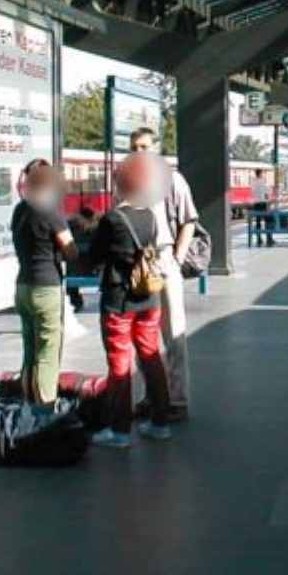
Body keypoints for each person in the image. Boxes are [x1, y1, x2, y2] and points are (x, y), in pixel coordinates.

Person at [88, 154, 172, 447]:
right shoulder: (149, 215)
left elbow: (94, 256)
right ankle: (161, 422)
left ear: (120, 184)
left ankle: (120, 430)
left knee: (120, 362)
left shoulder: (113, 219)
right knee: (151, 358)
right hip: (149, 298)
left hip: (119, 301)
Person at [129, 127, 197, 420]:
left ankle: (178, 400)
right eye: (134, 147)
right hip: (137, 262)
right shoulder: (128, 180)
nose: (139, 152)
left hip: (164, 257)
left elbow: (188, 220)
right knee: (142, 335)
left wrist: (177, 258)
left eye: (144, 147)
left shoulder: (173, 179)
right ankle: (150, 396)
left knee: (174, 333)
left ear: (156, 148)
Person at [11, 160, 78, 403]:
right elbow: (71, 250)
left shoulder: (20, 210)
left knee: (29, 350)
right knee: (48, 352)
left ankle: (28, 404)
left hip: (23, 285)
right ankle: (45, 408)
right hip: (46, 287)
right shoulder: (50, 211)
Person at [251, 168, 273, 247]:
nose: (263, 174)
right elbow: (269, 191)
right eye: (262, 173)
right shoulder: (263, 182)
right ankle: (269, 238)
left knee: (258, 221)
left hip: (256, 204)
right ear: (260, 173)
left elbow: (252, 191)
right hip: (263, 204)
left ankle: (259, 239)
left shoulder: (253, 182)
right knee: (269, 220)